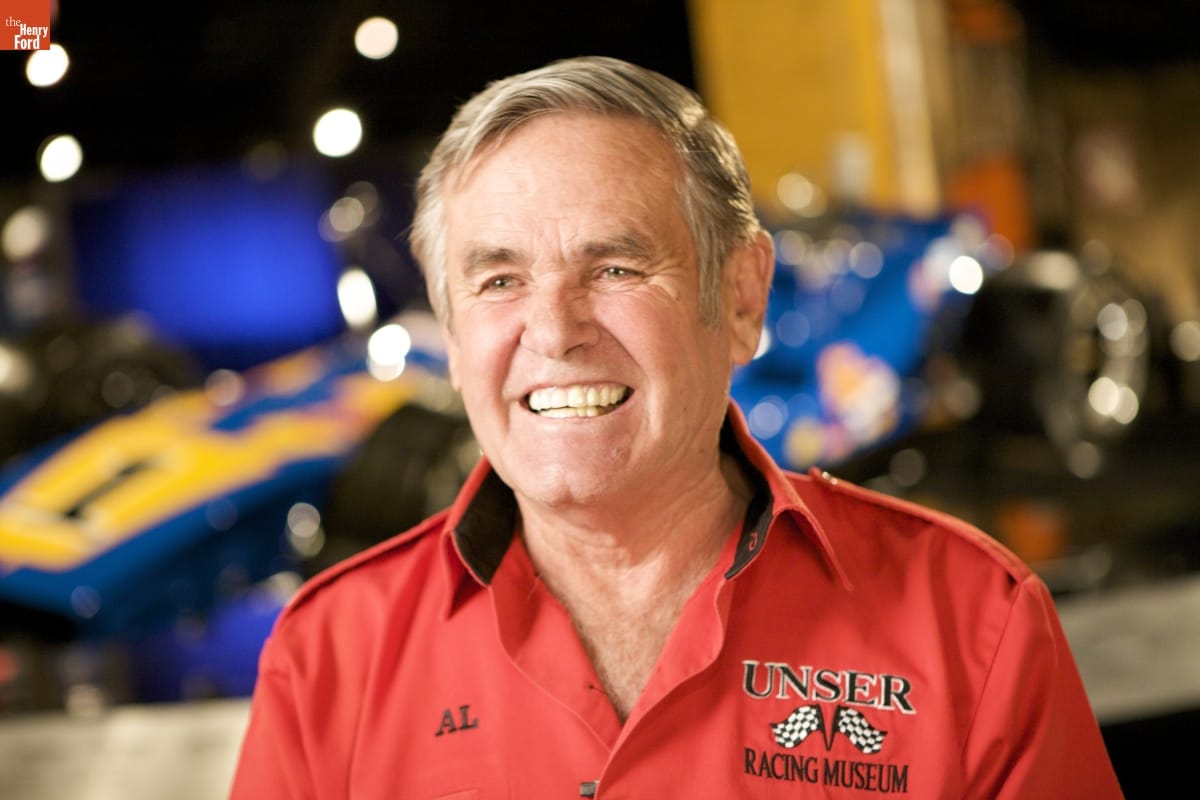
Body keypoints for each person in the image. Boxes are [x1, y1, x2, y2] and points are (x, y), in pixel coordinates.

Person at [229, 56, 1123, 798]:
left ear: (740, 298)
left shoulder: (973, 628)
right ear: (452, 338)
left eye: (615, 267)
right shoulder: (327, 661)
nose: (553, 329)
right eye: (498, 281)